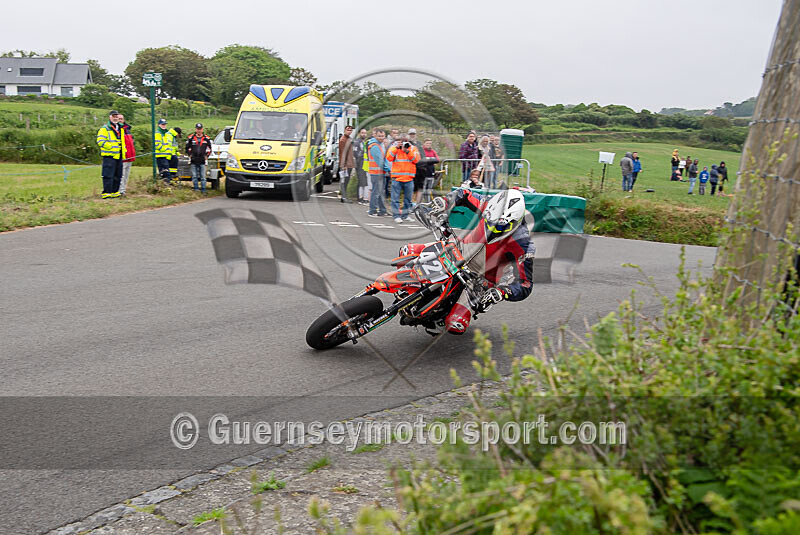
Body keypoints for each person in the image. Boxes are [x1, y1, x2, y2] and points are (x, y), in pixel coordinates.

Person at [403, 188, 534, 334]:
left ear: (514, 222)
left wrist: (502, 292)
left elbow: (525, 284)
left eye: (500, 226)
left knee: (455, 323)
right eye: (489, 221)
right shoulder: (488, 204)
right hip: (457, 250)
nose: (492, 228)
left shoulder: (523, 244)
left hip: (479, 279)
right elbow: (463, 194)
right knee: (408, 251)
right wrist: (444, 202)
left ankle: (442, 313)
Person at [386, 135, 421, 223]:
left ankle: (405, 215)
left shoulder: (413, 148)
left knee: (408, 199)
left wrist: (407, 151)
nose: (404, 143)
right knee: (395, 198)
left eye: (405, 141)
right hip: (397, 178)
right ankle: (396, 215)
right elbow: (389, 158)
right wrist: (396, 148)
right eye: (402, 142)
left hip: (409, 178)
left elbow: (416, 160)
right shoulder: (394, 148)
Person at [95, 110, 123, 198]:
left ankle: (115, 191)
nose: (115, 118)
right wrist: (111, 147)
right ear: (110, 117)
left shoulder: (120, 128)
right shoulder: (105, 128)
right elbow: (100, 141)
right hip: (109, 156)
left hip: (119, 155)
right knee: (108, 174)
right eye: (113, 116)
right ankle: (107, 192)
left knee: (118, 174)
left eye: (116, 116)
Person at [366, 129, 389, 217]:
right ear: (375, 135)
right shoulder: (375, 146)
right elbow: (380, 161)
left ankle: (382, 210)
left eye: (383, 136)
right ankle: (372, 210)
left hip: (379, 172)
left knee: (380, 192)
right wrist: (388, 169)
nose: (381, 138)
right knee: (376, 192)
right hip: (376, 172)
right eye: (379, 136)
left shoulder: (380, 144)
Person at [185, 123, 212, 193]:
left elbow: (209, 149)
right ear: (195, 129)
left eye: (200, 129)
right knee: (194, 176)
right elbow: (187, 148)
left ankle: (203, 190)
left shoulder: (206, 138)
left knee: (203, 177)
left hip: (202, 160)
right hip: (194, 160)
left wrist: (206, 156)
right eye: (197, 129)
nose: (199, 131)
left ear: (202, 130)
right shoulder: (191, 138)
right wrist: (190, 155)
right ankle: (196, 189)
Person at [117, 113, 135, 196]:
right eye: (119, 118)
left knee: (126, 175)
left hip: (130, 156)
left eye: (121, 119)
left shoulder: (127, 129)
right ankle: (120, 191)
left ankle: (123, 190)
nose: (120, 120)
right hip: (122, 156)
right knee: (122, 175)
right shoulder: (116, 130)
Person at [409, 128, 427, 204]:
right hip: (412, 169)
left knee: (420, 188)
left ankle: (417, 204)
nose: (412, 135)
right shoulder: (408, 144)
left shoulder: (419, 144)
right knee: (412, 188)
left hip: (420, 169)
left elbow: (423, 155)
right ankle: (411, 204)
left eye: (413, 134)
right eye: (411, 134)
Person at [338, 125, 355, 203]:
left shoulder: (349, 139)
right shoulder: (343, 140)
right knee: (344, 181)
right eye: (348, 130)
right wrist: (343, 165)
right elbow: (342, 153)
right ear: (345, 130)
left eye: (350, 130)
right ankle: (344, 197)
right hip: (345, 165)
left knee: (346, 181)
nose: (349, 131)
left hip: (350, 163)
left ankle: (344, 196)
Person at [419, 138, 440, 203]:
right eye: (427, 143)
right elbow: (421, 160)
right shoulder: (421, 151)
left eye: (430, 143)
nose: (429, 145)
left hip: (431, 174)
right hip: (423, 174)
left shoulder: (433, 151)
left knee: (429, 190)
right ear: (424, 144)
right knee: (422, 190)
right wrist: (431, 160)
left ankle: (427, 203)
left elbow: (437, 160)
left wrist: (428, 159)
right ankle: (420, 203)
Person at [352, 128, 370, 204]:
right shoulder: (357, 142)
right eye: (362, 133)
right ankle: (360, 198)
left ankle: (362, 197)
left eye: (365, 133)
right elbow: (356, 154)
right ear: (359, 133)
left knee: (364, 182)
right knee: (361, 182)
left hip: (364, 164)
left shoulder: (364, 142)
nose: (364, 134)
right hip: (360, 164)